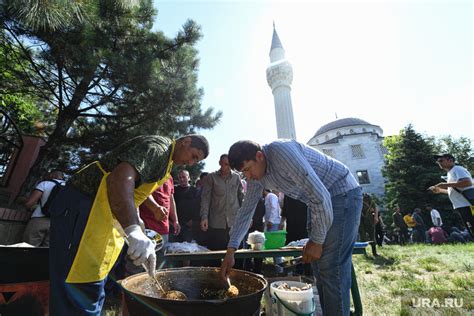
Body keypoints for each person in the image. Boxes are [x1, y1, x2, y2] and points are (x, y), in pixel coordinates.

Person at [48, 134, 208, 315]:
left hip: (102, 220)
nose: (192, 163)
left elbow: (134, 192)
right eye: (194, 156)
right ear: (185, 142)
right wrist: (132, 230)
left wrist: (138, 225)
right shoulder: (157, 148)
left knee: (93, 281)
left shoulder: (167, 164)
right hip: (84, 209)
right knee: (77, 285)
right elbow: (120, 180)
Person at [221, 139, 362, 316]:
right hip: (317, 202)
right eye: (243, 173)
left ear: (259, 156)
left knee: (331, 267)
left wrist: (317, 241)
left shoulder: (281, 153)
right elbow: (245, 211)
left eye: (248, 169)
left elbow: (320, 195)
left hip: (341, 192)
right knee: (320, 268)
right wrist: (230, 250)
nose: (248, 177)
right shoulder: (256, 175)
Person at [200, 154, 244, 252]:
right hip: (216, 223)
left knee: (236, 253)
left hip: (234, 222)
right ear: (220, 163)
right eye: (225, 164)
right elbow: (205, 199)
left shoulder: (236, 177)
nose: (228, 167)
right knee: (216, 254)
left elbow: (241, 197)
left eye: (230, 165)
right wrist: (204, 217)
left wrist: (246, 217)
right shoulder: (211, 177)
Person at [429, 153, 474, 236]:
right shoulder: (450, 172)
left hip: (468, 205)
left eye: (441, 160)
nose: (439, 162)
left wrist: (444, 184)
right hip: (463, 205)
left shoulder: (457, 169)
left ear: (450, 160)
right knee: (471, 228)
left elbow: (467, 182)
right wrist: (440, 190)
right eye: (438, 161)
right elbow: (455, 190)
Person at [22, 170, 65, 247]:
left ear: (51, 175)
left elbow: (29, 203)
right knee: (46, 253)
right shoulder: (69, 188)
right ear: (62, 177)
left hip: (39, 219)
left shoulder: (45, 184)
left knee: (28, 247)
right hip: (58, 223)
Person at [173, 169, 199, 243]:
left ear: (189, 178)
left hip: (190, 226)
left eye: (184, 177)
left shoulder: (195, 191)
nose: (182, 179)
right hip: (176, 225)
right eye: (180, 177)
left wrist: (193, 220)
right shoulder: (174, 191)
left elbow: (198, 207)